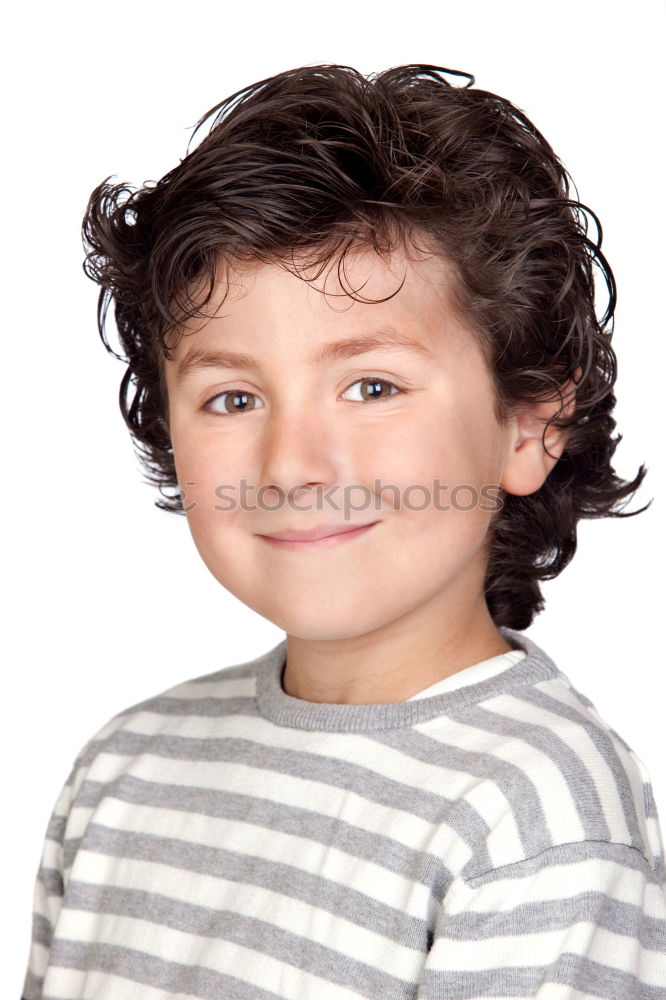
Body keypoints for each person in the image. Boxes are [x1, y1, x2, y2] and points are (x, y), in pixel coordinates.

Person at [21, 62, 666, 999]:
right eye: (232, 397)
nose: (291, 464)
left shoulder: (537, 814)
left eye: (372, 386)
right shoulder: (124, 766)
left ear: (527, 426)